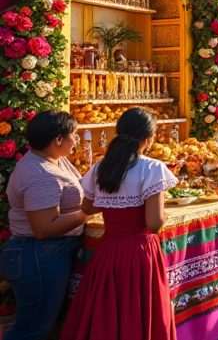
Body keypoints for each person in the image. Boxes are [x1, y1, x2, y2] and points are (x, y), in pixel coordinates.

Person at [61, 107, 179, 340]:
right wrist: (165, 215)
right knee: (138, 308)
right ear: (149, 138)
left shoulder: (101, 167)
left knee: (107, 310)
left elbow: (88, 208)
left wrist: (112, 200)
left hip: (109, 249)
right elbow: (154, 223)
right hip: (139, 251)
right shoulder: (152, 168)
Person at [2, 111, 95, 340]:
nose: (78, 140)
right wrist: (87, 213)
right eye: (74, 134)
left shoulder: (53, 160)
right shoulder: (41, 173)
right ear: (58, 140)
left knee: (46, 326)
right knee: (32, 330)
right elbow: (44, 228)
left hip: (45, 255)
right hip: (39, 255)